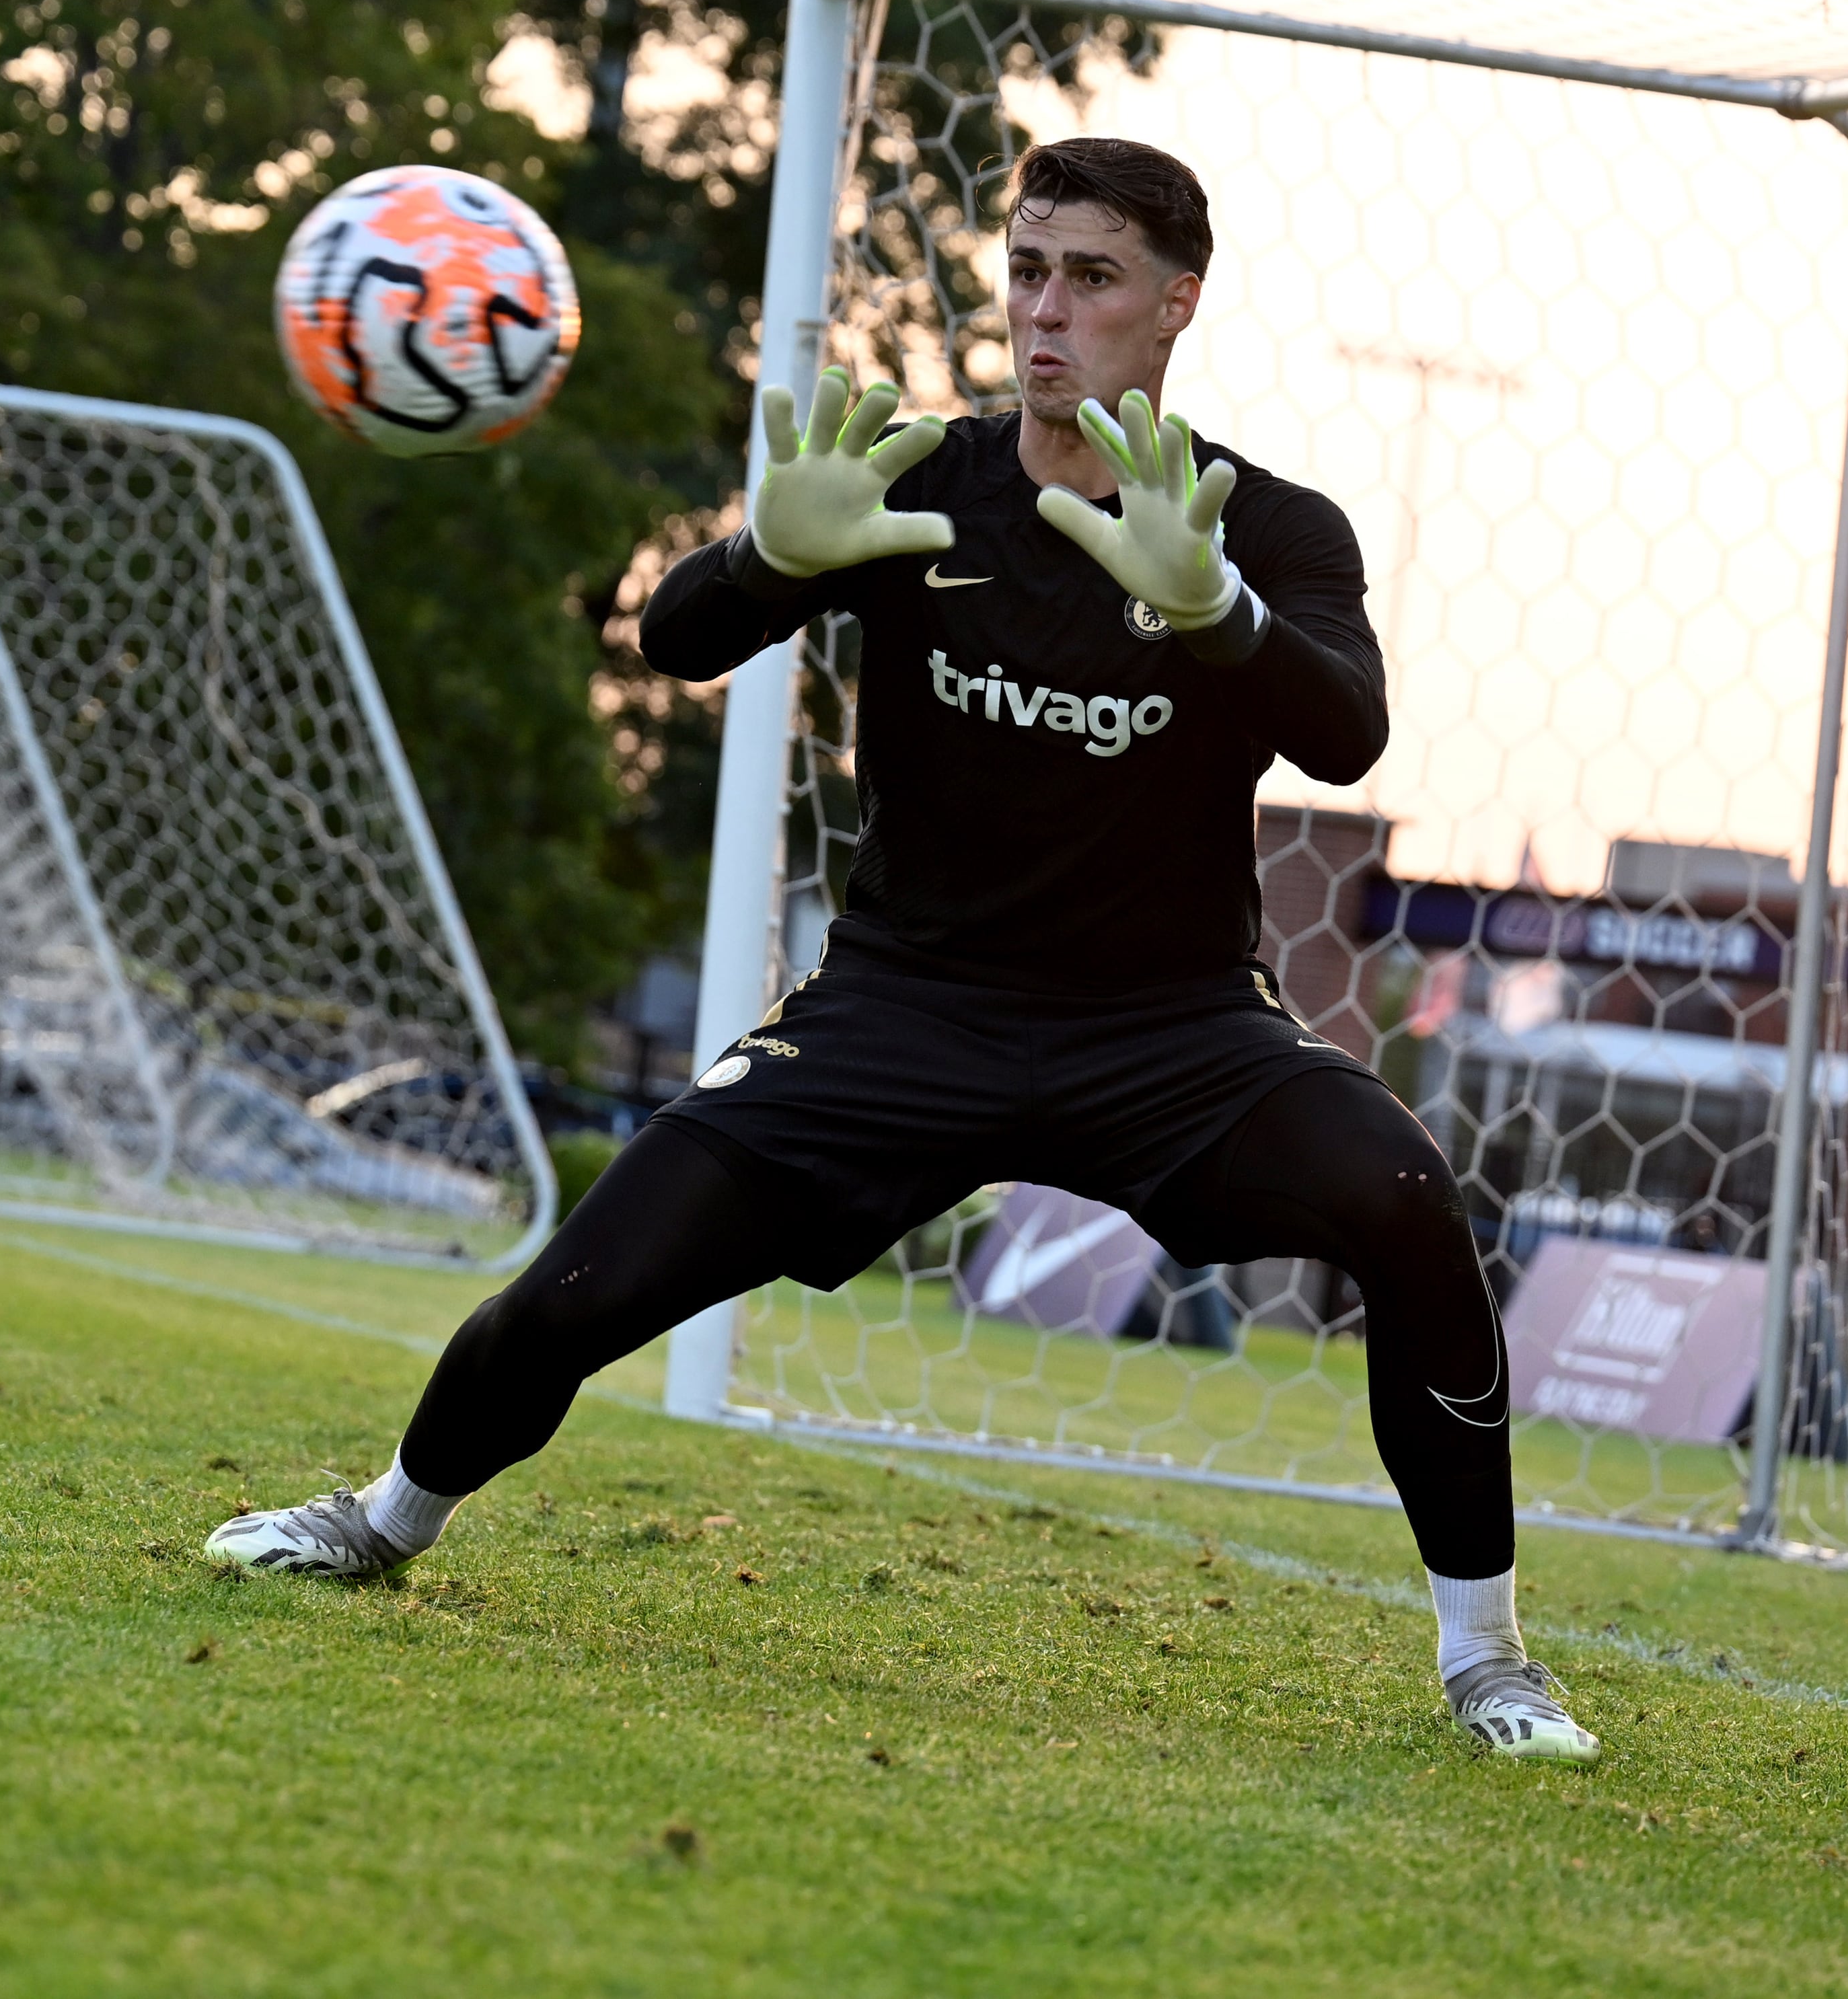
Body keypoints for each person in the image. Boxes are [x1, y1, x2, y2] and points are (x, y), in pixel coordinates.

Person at [208, 137, 1598, 1764]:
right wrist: (771, 559)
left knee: (1404, 1195)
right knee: (583, 1281)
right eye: (1025, 269)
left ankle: (1487, 1657)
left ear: (1175, 302)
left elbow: (1350, 735)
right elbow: (672, 638)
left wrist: (1213, 609)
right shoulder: (914, 483)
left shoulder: (1264, 525)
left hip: (1173, 1033)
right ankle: (384, 1517)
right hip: (900, 1014)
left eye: (1089, 276)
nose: (1044, 309)